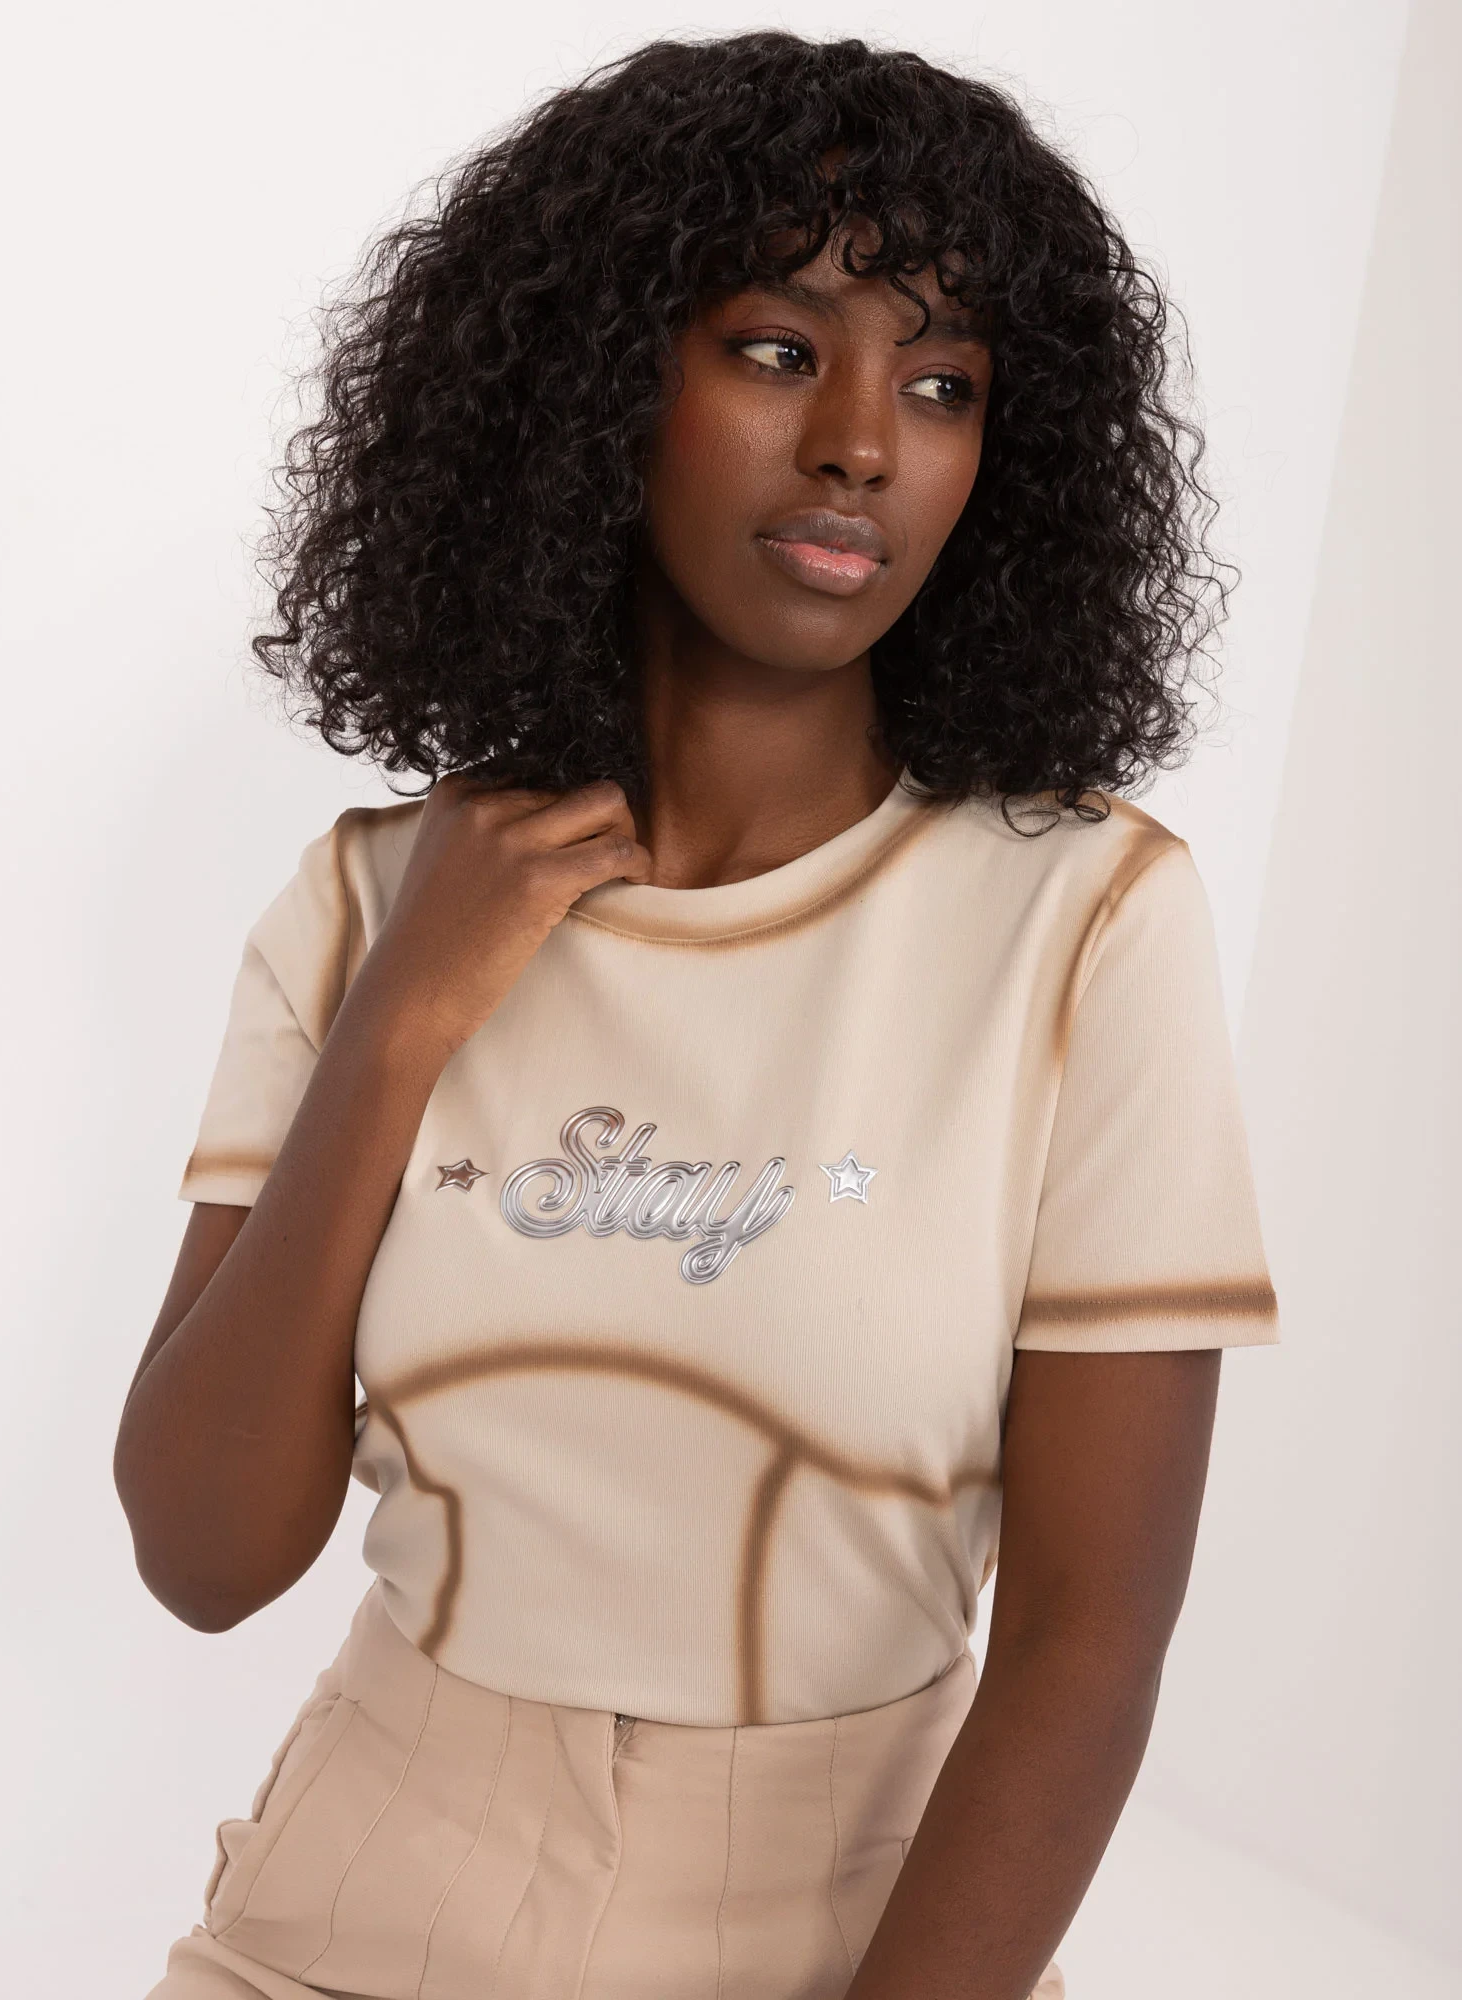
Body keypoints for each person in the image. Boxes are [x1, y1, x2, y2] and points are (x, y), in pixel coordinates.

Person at [115, 30, 1279, 2000]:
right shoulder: (374, 904)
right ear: (596, 380)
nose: (862, 444)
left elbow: (1090, 1647)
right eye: (777, 348)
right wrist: (400, 1025)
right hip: (348, 1903)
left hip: (857, 1933)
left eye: (943, 384)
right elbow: (203, 1555)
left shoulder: (1083, 920)